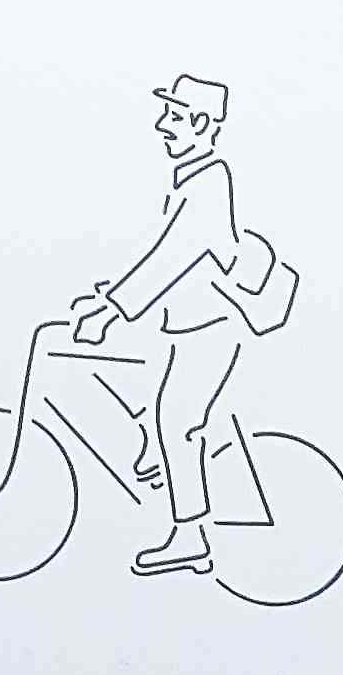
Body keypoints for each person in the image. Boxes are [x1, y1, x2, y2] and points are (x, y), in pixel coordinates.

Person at [67, 74, 294, 578]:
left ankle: (190, 536)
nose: (162, 125)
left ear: (201, 123)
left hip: (210, 328)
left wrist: (112, 309)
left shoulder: (208, 183)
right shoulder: (192, 179)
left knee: (177, 422)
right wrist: (109, 295)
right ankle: (159, 450)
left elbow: (174, 256)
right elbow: (163, 255)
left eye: (173, 116)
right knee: (148, 397)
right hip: (186, 325)